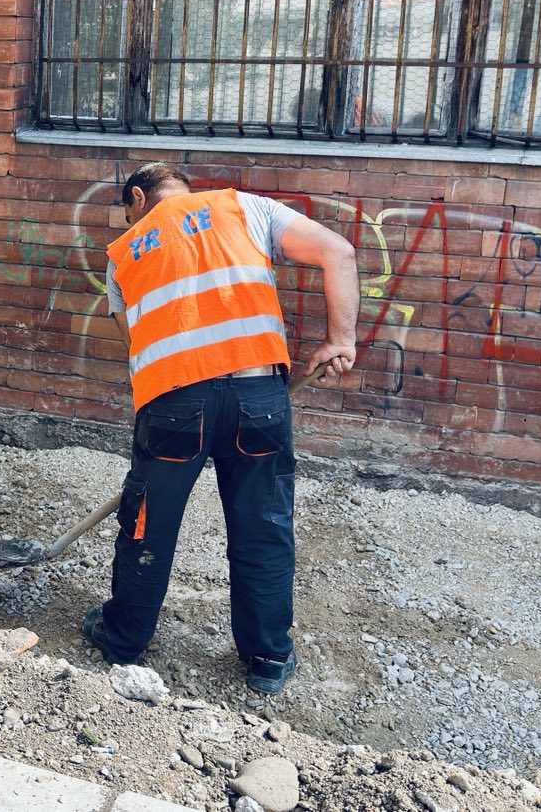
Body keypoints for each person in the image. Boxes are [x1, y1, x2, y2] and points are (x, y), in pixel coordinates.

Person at [82, 163, 358, 695]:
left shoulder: (123, 254)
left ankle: (122, 639)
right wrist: (339, 339)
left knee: (147, 527)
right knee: (264, 527)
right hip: (260, 398)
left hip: (173, 405)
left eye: (128, 212)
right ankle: (267, 657)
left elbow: (136, 345)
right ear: (185, 190)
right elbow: (339, 253)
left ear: (137, 197)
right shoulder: (244, 207)